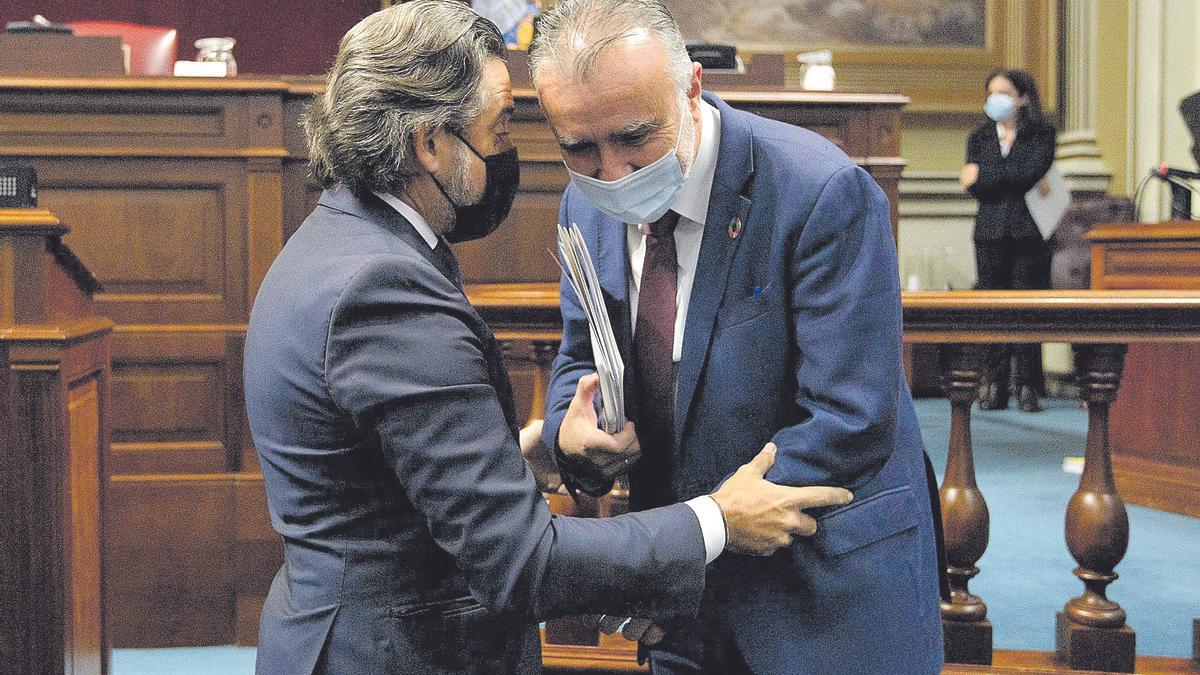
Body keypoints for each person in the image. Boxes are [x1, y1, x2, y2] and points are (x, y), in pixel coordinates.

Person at [243, 2, 853, 673]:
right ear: (429, 143)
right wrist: (715, 519)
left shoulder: (339, 242)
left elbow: (387, 475)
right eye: (499, 127)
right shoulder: (381, 288)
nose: (511, 148)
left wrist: (538, 451)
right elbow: (523, 562)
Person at [531, 1, 945, 673]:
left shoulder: (821, 192)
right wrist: (571, 437)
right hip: (685, 607)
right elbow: (582, 355)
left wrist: (707, 522)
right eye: (580, 147)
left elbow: (853, 417)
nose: (613, 172)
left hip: (823, 602)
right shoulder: (585, 205)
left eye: (636, 136)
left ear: (691, 88)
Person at [961, 68, 1057, 413]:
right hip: (989, 233)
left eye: (1003, 92)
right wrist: (1000, 178)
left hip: (1028, 234)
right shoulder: (979, 137)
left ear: (1022, 98)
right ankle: (996, 383)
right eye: (991, 93)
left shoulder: (1042, 134)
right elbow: (1003, 181)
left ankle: (1028, 385)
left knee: (1026, 310)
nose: (995, 99)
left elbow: (1027, 172)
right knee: (993, 310)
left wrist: (984, 174)